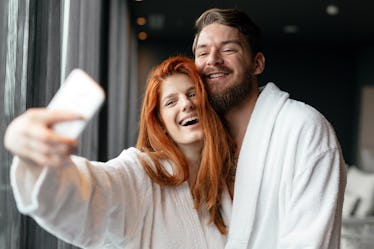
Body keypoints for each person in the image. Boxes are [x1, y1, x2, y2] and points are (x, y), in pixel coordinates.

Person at [4, 56, 236, 249]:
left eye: (192, 94)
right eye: (171, 102)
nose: (186, 104)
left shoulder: (229, 180)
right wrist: (34, 159)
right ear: (160, 122)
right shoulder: (140, 174)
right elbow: (89, 194)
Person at [192, 8, 347, 249]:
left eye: (228, 49)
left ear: (257, 64)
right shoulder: (198, 142)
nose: (212, 59)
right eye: (203, 53)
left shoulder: (304, 128)